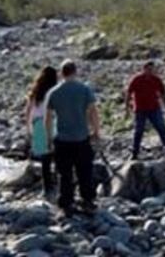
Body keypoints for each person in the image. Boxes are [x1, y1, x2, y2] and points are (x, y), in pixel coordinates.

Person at [45, 60, 100, 215]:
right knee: (85, 171)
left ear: (61, 73)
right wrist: (96, 131)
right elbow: (92, 112)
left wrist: (48, 139)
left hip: (62, 139)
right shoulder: (84, 89)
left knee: (64, 172)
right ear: (75, 72)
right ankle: (87, 200)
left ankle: (66, 203)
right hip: (82, 137)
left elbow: (48, 118)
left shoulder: (54, 92)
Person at [125, 60, 165, 160]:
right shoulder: (136, 79)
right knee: (138, 131)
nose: (150, 71)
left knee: (162, 128)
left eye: (152, 69)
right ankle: (135, 152)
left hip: (154, 108)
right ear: (144, 69)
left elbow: (163, 94)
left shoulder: (156, 80)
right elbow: (129, 93)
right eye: (148, 69)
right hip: (140, 109)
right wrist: (126, 108)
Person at [25, 65, 58, 199]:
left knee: (45, 158)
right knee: (58, 155)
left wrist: (28, 127)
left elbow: (28, 110)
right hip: (54, 122)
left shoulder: (36, 91)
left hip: (38, 123)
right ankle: (58, 184)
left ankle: (47, 187)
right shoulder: (55, 91)